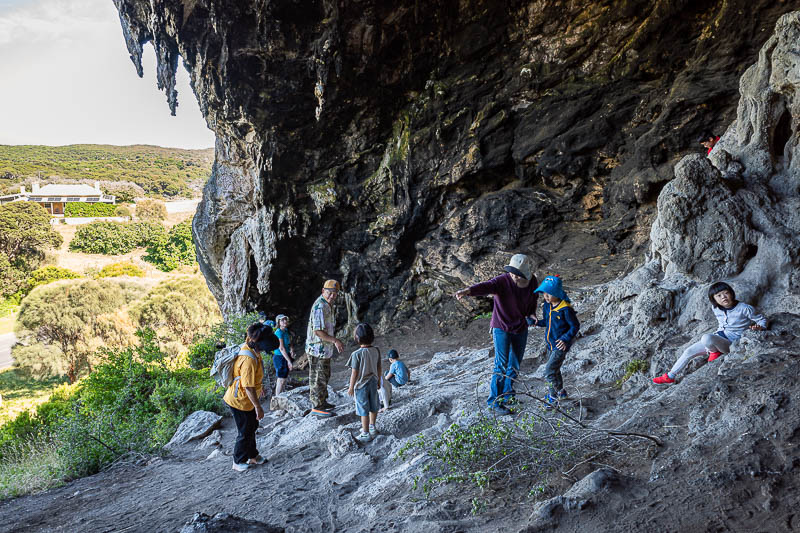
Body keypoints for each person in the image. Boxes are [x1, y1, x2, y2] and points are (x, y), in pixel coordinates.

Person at [455, 254, 539, 415]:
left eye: (517, 273)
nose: (513, 275)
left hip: (520, 326)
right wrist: (467, 291)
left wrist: (531, 314)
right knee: (501, 364)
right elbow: (486, 286)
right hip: (501, 326)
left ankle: (508, 394)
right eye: (512, 272)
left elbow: (533, 299)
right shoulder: (503, 280)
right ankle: (494, 401)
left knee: (515, 362)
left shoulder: (532, 281)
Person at [653, 282, 766, 384]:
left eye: (726, 293)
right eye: (719, 296)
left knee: (706, 338)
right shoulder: (715, 308)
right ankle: (670, 376)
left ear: (732, 293)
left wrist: (760, 327)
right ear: (714, 299)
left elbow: (761, 319)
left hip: (732, 343)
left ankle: (714, 351)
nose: (723, 297)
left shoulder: (745, 308)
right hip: (719, 337)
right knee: (689, 351)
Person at [223, 322, 279, 472]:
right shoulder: (248, 359)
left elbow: (252, 381)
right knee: (245, 431)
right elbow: (248, 386)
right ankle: (238, 461)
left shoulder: (253, 350)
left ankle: (253, 456)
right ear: (258, 343)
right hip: (239, 401)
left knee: (252, 427)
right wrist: (258, 407)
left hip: (245, 398)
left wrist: (259, 390)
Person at [532, 275, 580, 409]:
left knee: (549, 371)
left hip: (560, 345)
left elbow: (574, 326)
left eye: (549, 293)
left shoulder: (565, 309)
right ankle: (561, 392)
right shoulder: (547, 306)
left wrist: (565, 339)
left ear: (557, 293)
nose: (546, 296)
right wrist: (537, 322)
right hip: (550, 344)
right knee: (555, 369)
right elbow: (547, 322)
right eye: (544, 293)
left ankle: (553, 397)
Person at [305, 279, 344, 417]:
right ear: (323, 291)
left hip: (324, 349)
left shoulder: (328, 304)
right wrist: (335, 341)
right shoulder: (320, 307)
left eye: (335, 293)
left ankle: (322, 401)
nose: (332, 296)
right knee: (318, 377)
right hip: (317, 349)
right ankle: (316, 407)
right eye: (329, 293)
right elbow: (318, 331)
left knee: (325, 375)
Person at [347, 323, 382, 442]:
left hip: (361, 385)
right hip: (373, 381)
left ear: (357, 338)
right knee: (374, 405)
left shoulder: (356, 354)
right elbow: (379, 367)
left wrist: (351, 387)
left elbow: (354, 373)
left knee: (363, 409)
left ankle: (365, 433)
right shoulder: (376, 350)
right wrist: (378, 380)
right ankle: (372, 427)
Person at [273, 314, 294, 397]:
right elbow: (281, 348)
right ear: (278, 322)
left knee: (284, 378)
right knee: (281, 379)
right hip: (280, 357)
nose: (285, 321)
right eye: (282, 320)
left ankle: (280, 397)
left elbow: (289, 342)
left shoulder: (285, 331)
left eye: (285, 319)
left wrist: (292, 349)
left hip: (285, 355)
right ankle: (277, 398)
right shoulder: (278, 332)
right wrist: (289, 361)